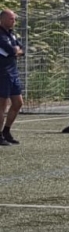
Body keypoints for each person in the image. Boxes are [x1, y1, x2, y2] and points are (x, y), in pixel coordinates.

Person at [0, 8, 24, 145]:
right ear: (2, 19)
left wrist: (16, 51)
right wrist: (15, 51)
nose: (13, 21)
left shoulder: (11, 33)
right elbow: (10, 50)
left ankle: (6, 131)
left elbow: (21, 49)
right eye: (11, 19)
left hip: (13, 72)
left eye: (14, 19)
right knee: (2, 105)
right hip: (3, 73)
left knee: (18, 103)